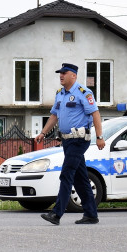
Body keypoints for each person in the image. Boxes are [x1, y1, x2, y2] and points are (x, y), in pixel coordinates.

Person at [35, 63, 105, 225]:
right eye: (60, 73)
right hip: (67, 140)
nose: (61, 75)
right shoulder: (60, 94)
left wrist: (100, 136)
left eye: (64, 73)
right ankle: (91, 214)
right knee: (80, 178)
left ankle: (56, 213)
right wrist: (43, 132)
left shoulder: (83, 93)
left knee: (66, 174)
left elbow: (95, 114)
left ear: (73, 75)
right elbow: (54, 116)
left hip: (79, 140)